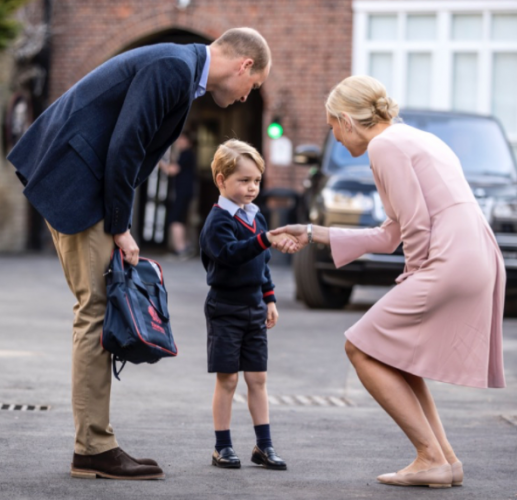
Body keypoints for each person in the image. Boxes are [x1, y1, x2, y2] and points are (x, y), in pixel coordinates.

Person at [7, 27, 271, 480]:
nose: (249, 97)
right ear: (244, 65)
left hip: (81, 181)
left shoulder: (182, 70)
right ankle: (93, 447)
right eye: (255, 86)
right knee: (94, 310)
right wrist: (120, 225)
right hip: (78, 184)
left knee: (94, 307)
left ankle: (94, 444)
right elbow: (125, 145)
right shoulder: (174, 67)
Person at [271, 75, 506, 488]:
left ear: (347, 119)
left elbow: (414, 225)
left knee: (359, 346)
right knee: (399, 356)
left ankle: (430, 456)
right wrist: (311, 232)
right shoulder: (414, 139)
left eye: (332, 129)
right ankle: (444, 460)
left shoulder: (384, 146)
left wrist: (413, 275)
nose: (337, 140)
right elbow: (389, 232)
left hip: (447, 260)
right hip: (475, 255)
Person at [199, 139, 296, 470]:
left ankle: (263, 446)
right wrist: (263, 240)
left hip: (254, 308)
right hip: (225, 308)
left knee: (258, 379)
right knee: (228, 380)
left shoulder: (256, 218)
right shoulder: (217, 222)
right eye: (243, 180)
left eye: (256, 180)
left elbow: (262, 263)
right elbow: (230, 255)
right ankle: (222, 447)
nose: (252, 187)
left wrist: (269, 299)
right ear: (221, 180)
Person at [159, 131, 197, 258]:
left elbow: (172, 170)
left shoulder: (186, 154)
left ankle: (180, 249)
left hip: (182, 191)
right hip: (185, 191)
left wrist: (157, 161)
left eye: (181, 139)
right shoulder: (186, 154)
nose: (178, 142)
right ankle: (183, 246)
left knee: (175, 218)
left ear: (187, 141)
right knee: (179, 218)